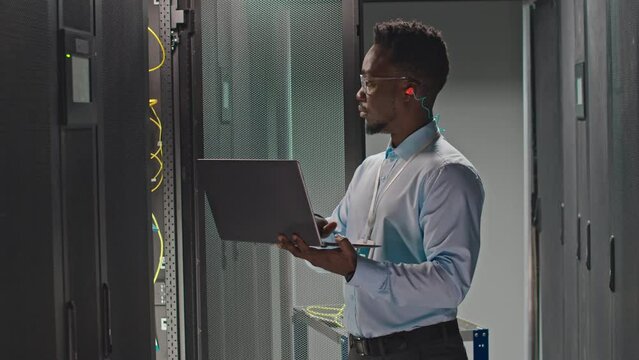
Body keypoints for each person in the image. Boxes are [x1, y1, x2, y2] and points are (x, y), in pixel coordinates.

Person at [277, 19, 484, 360]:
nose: (359, 93)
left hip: (420, 351)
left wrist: (356, 269)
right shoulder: (370, 169)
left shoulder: (448, 174)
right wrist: (314, 238)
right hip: (363, 350)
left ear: (410, 89)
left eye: (370, 82)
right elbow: (341, 240)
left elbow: (449, 285)